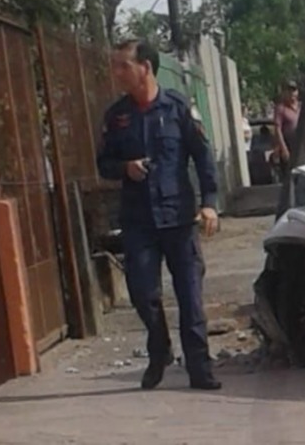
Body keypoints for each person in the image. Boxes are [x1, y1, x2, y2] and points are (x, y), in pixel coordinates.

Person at [96, 39, 221, 392]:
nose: (117, 72)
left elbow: (203, 157)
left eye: (124, 65)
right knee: (141, 292)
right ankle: (159, 348)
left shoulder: (178, 108)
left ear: (145, 68)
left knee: (190, 297)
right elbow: (103, 164)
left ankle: (200, 369)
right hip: (139, 222)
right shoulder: (117, 117)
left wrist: (209, 202)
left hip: (179, 219)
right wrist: (125, 167)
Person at [274, 80, 302, 216]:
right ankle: (287, 210)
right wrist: (283, 148)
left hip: (301, 146)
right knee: (289, 179)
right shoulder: (281, 108)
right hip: (288, 146)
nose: (292, 93)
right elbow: (277, 129)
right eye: (289, 90)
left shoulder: (301, 107)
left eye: (294, 90)